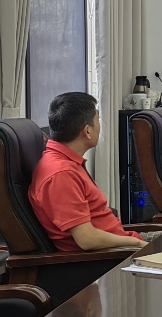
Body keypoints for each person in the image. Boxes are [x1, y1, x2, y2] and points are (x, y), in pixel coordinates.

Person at [29, 92, 151, 253]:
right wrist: (137, 243)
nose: (100, 126)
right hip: (113, 256)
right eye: (98, 120)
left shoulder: (65, 162)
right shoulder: (61, 175)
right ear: (87, 131)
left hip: (122, 244)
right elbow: (87, 239)